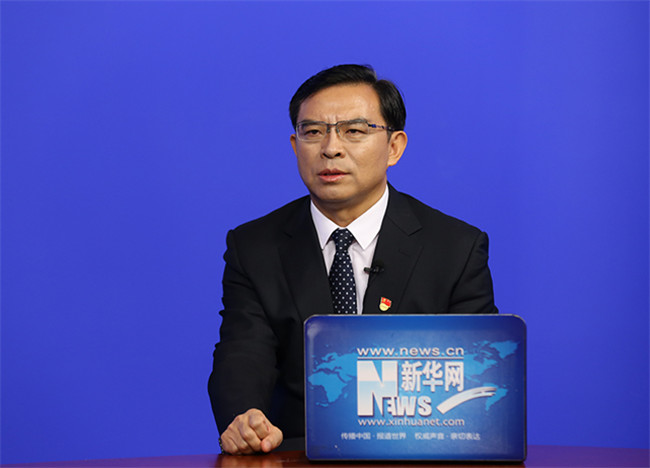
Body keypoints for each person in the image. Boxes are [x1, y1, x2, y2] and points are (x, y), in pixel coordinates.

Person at [208, 64, 497, 455]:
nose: (331, 148)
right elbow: (244, 352)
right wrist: (245, 418)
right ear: (295, 146)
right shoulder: (254, 246)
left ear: (394, 147)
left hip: (418, 455)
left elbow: (477, 373)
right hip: (297, 454)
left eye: (354, 131)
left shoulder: (455, 248)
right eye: (313, 132)